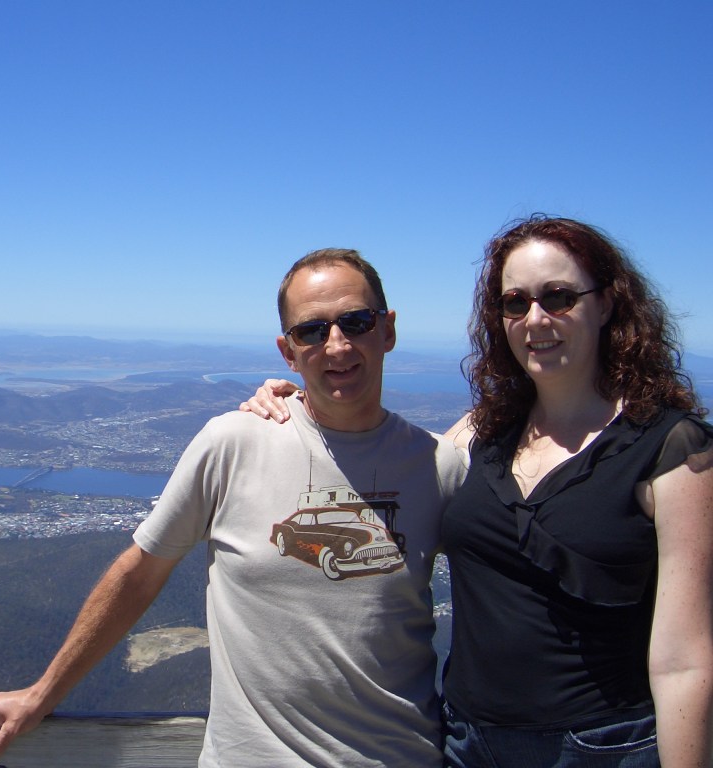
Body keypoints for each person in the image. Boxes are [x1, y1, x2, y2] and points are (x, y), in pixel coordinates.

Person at [0, 248, 467, 767]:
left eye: (356, 322)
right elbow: (140, 573)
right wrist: (43, 692)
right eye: (312, 331)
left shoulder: (441, 467)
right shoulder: (233, 444)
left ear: (387, 330)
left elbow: (503, 596)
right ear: (288, 351)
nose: (336, 345)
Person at [242, 217, 713, 768]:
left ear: (606, 304)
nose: (536, 319)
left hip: (601, 746)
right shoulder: (481, 435)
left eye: (558, 297)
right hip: (467, 743)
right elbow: (384, 465)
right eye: (515, 303)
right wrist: (299, 399)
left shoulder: (672, 450)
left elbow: (685, 660)